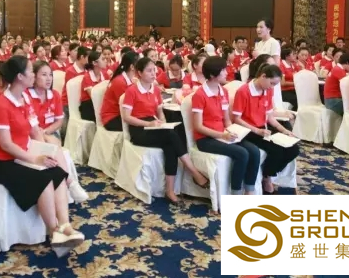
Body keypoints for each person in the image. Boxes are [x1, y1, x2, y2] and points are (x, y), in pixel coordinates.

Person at [0, 56, 86, 253]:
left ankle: (65, 225)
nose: (33, 74)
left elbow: (34, 131)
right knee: (43, 178)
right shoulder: (1, 105)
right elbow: (6, 144)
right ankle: (54, 231)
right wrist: (35, 159)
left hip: (23, 155)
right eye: (31, 71)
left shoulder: (24, 99)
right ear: (20, 76)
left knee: (57, 172)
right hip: (3, 162)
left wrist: (45, 152)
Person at [121, 57, 209, 204]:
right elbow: (126, 117)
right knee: (171, 137)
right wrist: (148, 124)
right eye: (149, 71)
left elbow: (160, 112)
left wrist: (163, 123)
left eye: (154, 70)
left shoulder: (155, 90)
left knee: (171, 144)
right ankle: (193, 171)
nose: (153, 74)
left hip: (155, 125)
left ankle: (170, 190)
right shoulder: (132, 91)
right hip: (139, 129)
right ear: (139, 73)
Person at [192, 56, 260, 195]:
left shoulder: (223, 91)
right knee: (242, 153)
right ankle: (235, 193)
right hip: (205, 139)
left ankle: (250, 191)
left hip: (222, 134)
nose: (226, 72)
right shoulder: (199, 95)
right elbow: (198, 126)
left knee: (254, 150)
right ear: (212, 75)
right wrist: (222, 135)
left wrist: (233, 132)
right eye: (223, 70)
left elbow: (227, 120)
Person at [232, 64, 299, 194]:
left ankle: (268, 174)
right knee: (277, 151)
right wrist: (256, 130)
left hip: (263, 129)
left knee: (293, 149)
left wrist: (283, 130)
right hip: (248, 130)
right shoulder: (243, 91)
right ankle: (267, 178)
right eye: (272, 83)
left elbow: (269, 116)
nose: (272, 87)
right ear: (263, 76)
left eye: (275, 85)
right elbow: (237, 119)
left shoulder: (268, 90)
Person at [27, 61, 89, 202]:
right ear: (34, 77)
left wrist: (46, 131)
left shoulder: (54, 94)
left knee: (51, 141)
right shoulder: (26, 96)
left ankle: (67, 185)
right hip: (30, 135)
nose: (48, 78)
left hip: (49, 132)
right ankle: (70, 182)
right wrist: (40, 133)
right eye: (44, 75)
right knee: (51, 144)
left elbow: (59, 121)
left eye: (50, 75)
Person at [100, 52, 139, 132]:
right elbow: (127, 105)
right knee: (142, 125)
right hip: (112, 118)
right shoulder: (120, 82)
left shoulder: (130, 78)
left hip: (121, 113)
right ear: (132, 67)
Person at [79, 51, 108, 122]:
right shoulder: (87, 77)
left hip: (100, 103)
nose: (106, 61)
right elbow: (93, 96)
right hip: (89, 106)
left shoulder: (105, 74)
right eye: (103, 59)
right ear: (95, 63)